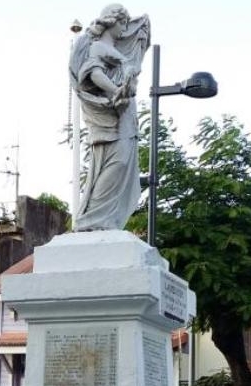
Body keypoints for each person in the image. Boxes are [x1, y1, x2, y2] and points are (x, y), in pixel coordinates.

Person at [70, 5, 150, 232]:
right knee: (118, 161)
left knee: (123, 163)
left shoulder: (112, 48)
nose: (124, 29)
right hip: (113, 117)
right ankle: (94, 218)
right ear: (111, 21)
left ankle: (105, 218)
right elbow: (92, 72)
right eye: (122, 23)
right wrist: (115, 91)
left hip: (124, 114)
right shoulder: (99, 46)